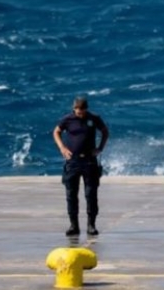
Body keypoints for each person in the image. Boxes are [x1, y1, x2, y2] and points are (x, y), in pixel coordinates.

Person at [53, 96, 109, 236]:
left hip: (90, 161)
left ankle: (91, 225)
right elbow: (56, 132)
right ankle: (74, 226)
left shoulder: (94, 118)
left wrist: (100, 148)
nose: (80, 113)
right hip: (72, 162)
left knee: (91, 194)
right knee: (71, 195)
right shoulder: (67, 119)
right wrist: (62, 148)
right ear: (74, 109)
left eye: (82, 110)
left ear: (86, 109)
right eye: (78, 111)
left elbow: (105, 131)